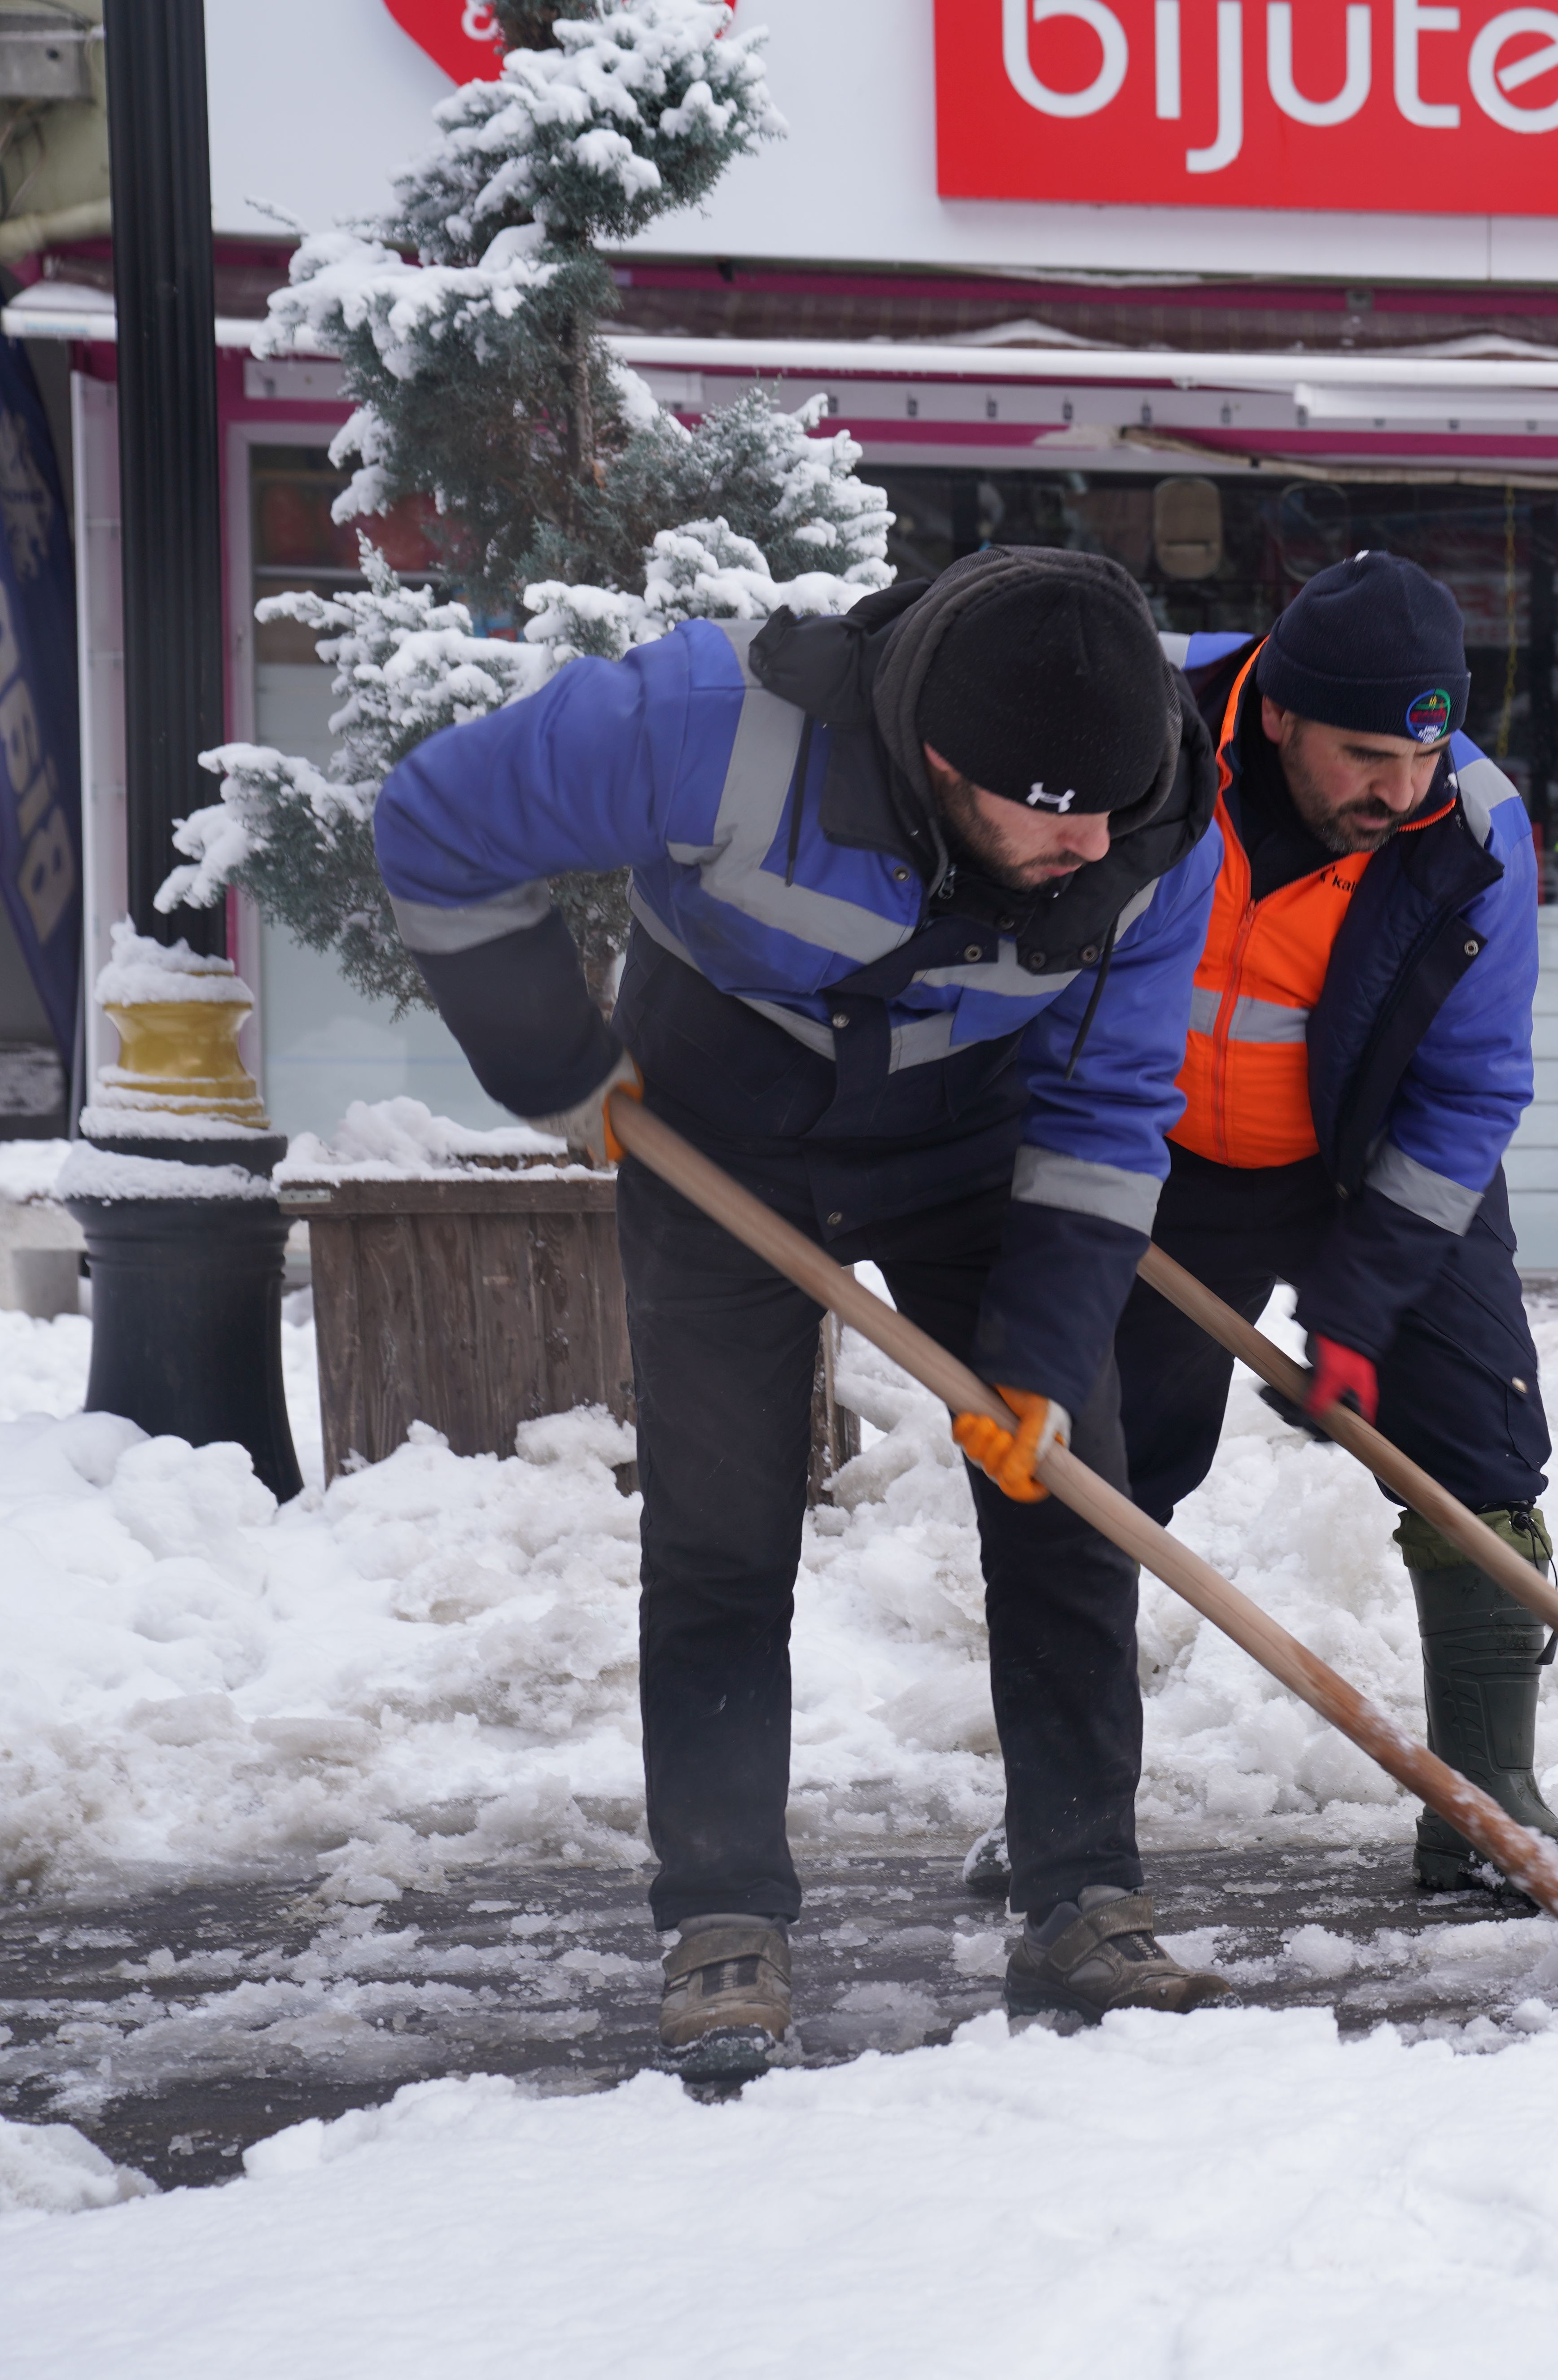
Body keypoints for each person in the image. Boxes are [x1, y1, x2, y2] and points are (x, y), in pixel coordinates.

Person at [375, 548, 1225, 2076]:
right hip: (723, 1100)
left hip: (978, 1124)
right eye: (1046, 806)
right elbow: (439, 823)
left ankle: (1082, 1886)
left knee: (1069, 1474)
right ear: (943, 760)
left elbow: (1107, 1108)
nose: (1087, 842)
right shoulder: (713, 723)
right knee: (724, 1507)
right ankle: (723, 1916)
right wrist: (558, 1069)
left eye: (1110, 803)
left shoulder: (1155, 819)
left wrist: (1031, 1358)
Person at [1102, 553, 1558, 1897]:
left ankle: (1484, 1800)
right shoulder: (1136, 747)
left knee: (1480, 1443)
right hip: (1149, 1153)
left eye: (1423, 750)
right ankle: (1067, 1807)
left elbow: (1473, 1091)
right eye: (1363, 757)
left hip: (1376, 1145)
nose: (1398, 791)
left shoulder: (1473, 829)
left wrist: (1362, 1298)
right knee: (1096, 1462)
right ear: (1273, 711)